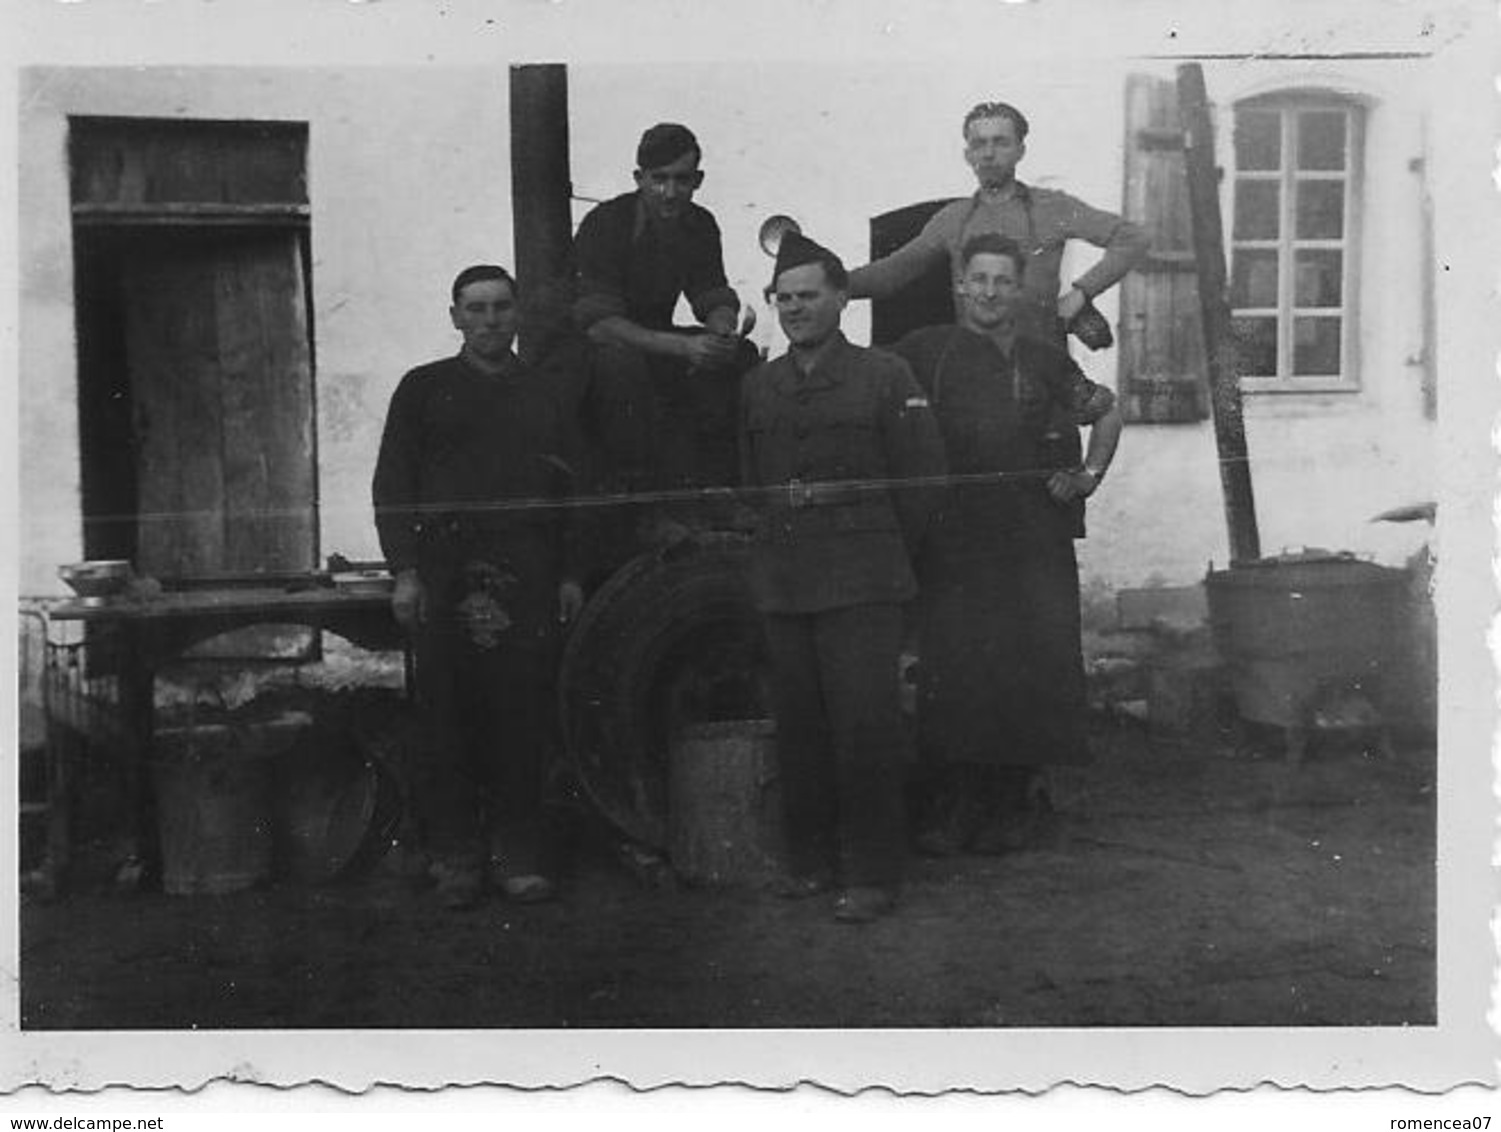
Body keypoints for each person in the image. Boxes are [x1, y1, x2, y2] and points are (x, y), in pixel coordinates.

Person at [891, 233, 1122, 855]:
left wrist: (1087, 477)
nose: (990, 291)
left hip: (1033, 538)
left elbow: (1105, 410)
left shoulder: (1044, 357)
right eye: (979, 279)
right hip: (955, 538)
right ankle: (958, 804)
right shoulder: (924, 351)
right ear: (961, 285)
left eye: (1003, 281)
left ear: (1019, 290)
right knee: (959, 668)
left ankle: (1017, 801)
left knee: (1031, 668)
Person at [738, 231, 945, 923]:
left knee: (864, 727)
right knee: (798, 725)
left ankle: (871, 873)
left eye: (808, 296)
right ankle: (810, 861)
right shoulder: (758, 386)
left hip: (861, 573)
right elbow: (748, 482)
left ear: (840, 299)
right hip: (786, 574)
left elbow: (922, 481)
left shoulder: (884, 376)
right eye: (783, 298)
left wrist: (885, 554)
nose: (794, 309)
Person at [372, 264, 586, 909]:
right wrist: (405, 570)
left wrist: (571, 573)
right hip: (444, 572)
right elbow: (393, 485)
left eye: (500, 307)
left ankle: (517, 855)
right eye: (476, 308)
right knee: (447, 718)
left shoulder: (546, 393)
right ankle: (457, 858)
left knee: (522, 715)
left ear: (517, 314)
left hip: (527, 570)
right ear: (456, 316)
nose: (490, 320)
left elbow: (572, 489)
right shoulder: (423, 388)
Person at [848, 100, 1146, 533]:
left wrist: (1082, 292)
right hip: (970, 382)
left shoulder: (1053, 207)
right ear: (967, 153)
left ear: (1021, 149)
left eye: (1000, 142)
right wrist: (829, 283)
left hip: (1044, 382)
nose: (988, 153)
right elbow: (893, 273)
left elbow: (1132, 237)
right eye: (979, 143)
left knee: (1044, 529)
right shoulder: (952, 220)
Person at [571, 122, 757, 555]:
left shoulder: (700, 224)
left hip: (650, 339)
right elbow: (599, 324)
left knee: (742, 357)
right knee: (622, 366)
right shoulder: (606, 224)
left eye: (681, 179)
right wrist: (685, 347)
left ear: (698, 180)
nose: (670, 192)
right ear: (639, 179)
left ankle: (717, 493)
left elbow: (711, 292)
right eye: (659, 179)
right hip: (584, 351)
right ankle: (646, 511)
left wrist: (722, 329)